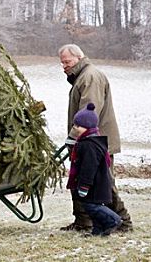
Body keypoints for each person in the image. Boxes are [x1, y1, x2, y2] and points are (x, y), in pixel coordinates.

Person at [58, 43, 133, 232]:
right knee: (79, 180)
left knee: (103, 183)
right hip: (87, 142)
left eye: (67, 62)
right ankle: (84, 222)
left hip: (97, 143)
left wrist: (72, 138)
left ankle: (123, 222)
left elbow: (88, 114)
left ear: (78, 58)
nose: (64, 66)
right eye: (62, 63)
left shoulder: (90, 77)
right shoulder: (81, 77)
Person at [67, 103, 122, 236]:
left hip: (94, 184)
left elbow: (88, 168)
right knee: (91, 205)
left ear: (87, 127)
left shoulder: (90, 146)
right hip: (95, 184)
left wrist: (84, 186)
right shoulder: (89, 141)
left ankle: (113, 220)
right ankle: (98, 231)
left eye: (78, 126)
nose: (74, 128)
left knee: (92, 206)